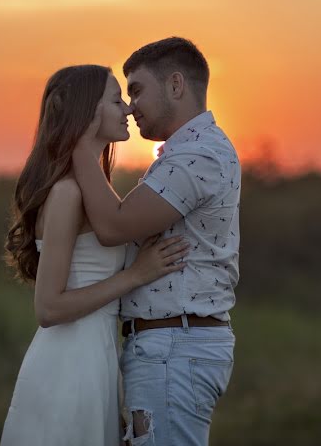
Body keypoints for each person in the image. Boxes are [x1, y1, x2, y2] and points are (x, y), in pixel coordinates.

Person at [0, 64, 190, 446]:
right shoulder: (68, 194)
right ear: (88, 112)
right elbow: (48, 308)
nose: (127, 109)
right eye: (116, 99)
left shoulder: (92, 190)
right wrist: (135, 276)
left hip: (96, 357)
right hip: (68, 364)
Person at [72, 37, 241, 445]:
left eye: (137, 90)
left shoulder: (197, 156)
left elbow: (114, 227)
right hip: (171, 346)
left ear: (176, 85)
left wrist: (77, 144)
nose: (131, 106)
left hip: (175, 348)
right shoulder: (185, 154)